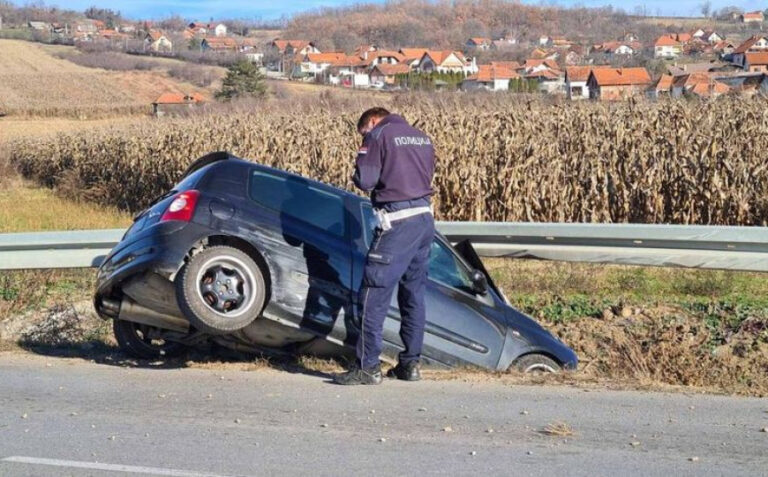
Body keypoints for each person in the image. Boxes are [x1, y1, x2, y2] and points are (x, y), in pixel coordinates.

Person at [334, 107, 436, 385]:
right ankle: (410, 365)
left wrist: (360, 161)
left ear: (372, 120)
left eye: (363, 131)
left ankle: (368, 368)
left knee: (374, 292)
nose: (364, 136)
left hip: (397, 223)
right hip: (425, 220)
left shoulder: (378, 135)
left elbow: (366, 181)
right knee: (413, 295)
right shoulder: (421, 136)